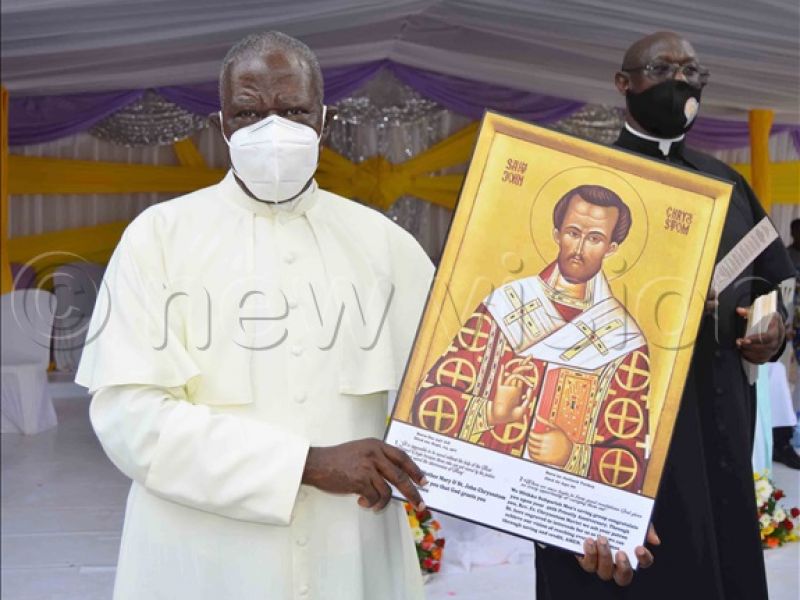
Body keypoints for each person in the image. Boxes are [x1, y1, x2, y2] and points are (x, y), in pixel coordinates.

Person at [76, 31, 432, 600]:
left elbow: (454, 398)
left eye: (293, 110)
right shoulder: (158, 239)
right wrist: (305, 465)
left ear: (323, 122)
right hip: (203, 561)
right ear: (222, 125)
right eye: (249, 112)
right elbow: (130, 419)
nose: (273, 130)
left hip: (350, 551)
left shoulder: (387, 247)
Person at [534, 31, 795, 598]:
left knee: (713, 555)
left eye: (692, 72)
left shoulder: (727, 183)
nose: (680, 82)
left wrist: (771, 331)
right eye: (662, 69)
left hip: (715, 414)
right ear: (623, 84)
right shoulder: (585, 182)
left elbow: (773, 282)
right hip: (616, 415)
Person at [410, 185, 650, 493]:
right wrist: (490, 413)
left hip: (554, 502)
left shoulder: (624, 340)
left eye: (594, 239)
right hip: (477, 487)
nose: (579, 248)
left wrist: (571, 455)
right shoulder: (504, 306)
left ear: (611, 248)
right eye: (573, 233)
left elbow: (631, 465)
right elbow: (427, 403)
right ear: (556, 234)